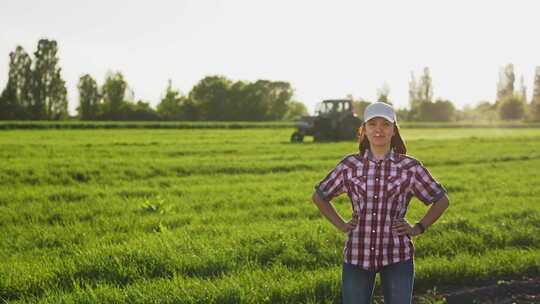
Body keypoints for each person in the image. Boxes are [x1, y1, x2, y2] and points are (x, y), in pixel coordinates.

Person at [312, 102, 450, 304]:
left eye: (385, 124)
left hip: (397, 254)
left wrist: (418, 227)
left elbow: (441, 200)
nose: (379, 130)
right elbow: (319, 196)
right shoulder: (349, 165)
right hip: (358, 254)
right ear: (364, 130)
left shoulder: (409, 167)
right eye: (373, 124)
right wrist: (341, 224)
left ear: (394, 130)